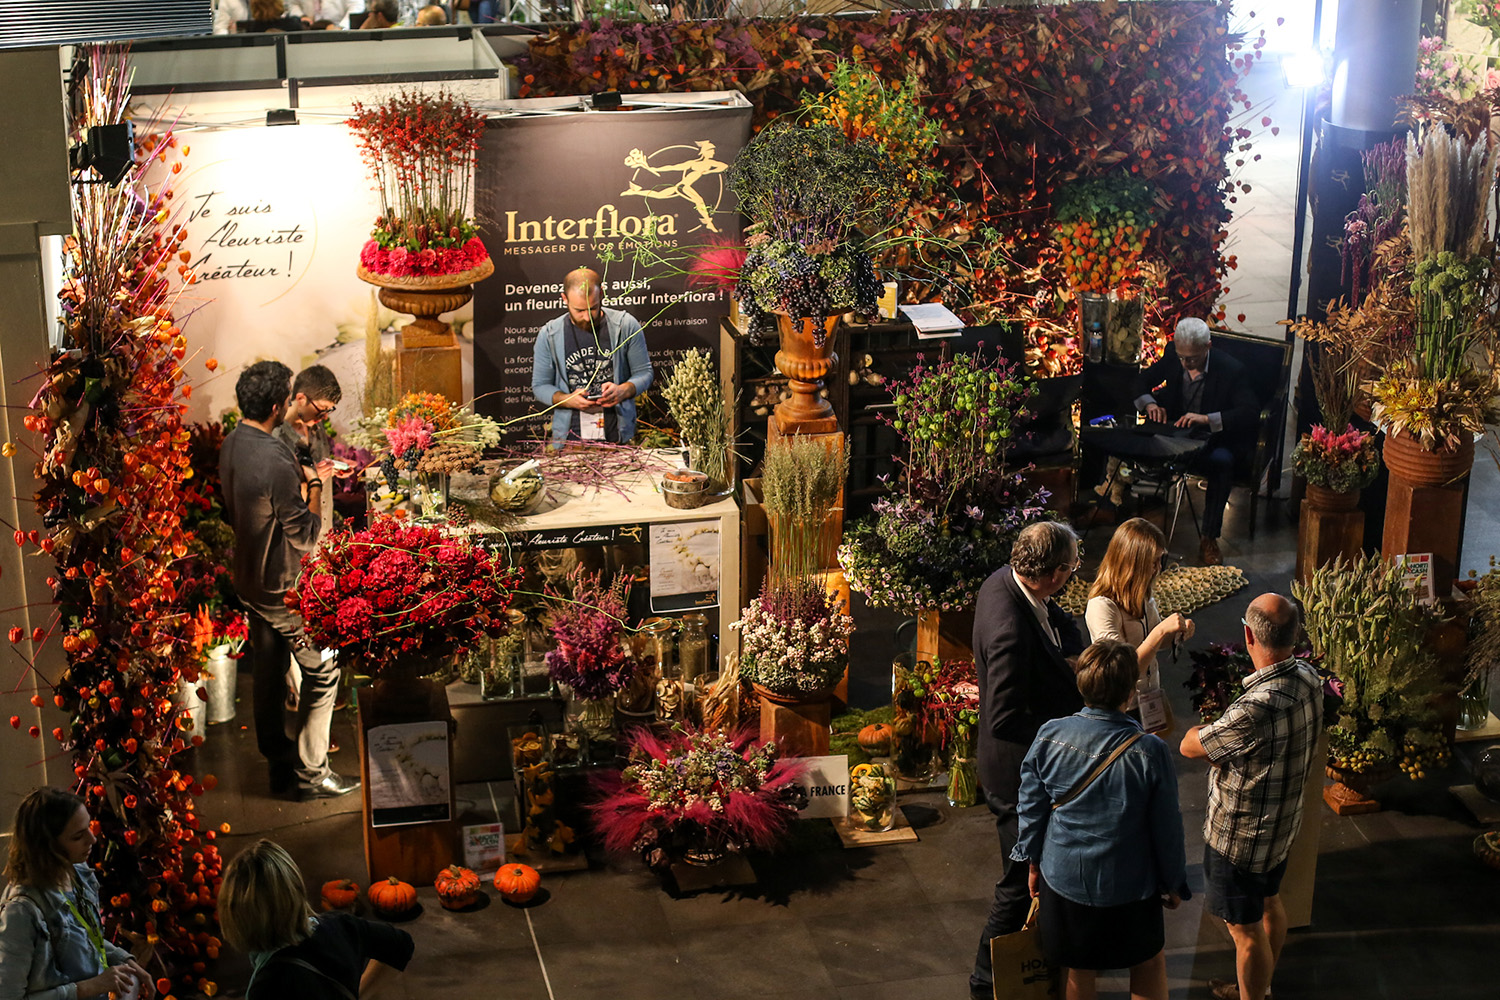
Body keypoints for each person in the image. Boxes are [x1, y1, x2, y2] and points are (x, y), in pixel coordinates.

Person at [1011, 640, 1189, 1000]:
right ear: (1129, 692)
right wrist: (1173, 881)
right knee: (1148, 963)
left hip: (1064, 878)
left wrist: (1033, 863)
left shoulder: (1050, 735)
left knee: (1079, 968)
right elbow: (1167, 827)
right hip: (1131, 884)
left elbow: (1031, 809)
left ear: (1082, 684)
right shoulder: (1150, 751)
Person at [220, 361, 357, 802]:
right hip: (282, 588)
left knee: (269, 674)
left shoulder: (232, 443)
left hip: (250, 581)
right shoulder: (275, 458)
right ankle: (312, 773)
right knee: (325, 669)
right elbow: (305, 534)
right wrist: (314, 484)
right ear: (280, 404)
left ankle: (279, 766)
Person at [1180, 594, 1322, 1000]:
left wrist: (1204, 731)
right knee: (1270, 903)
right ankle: (1262, 985)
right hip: (1281, 827)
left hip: (1240, 841)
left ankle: (1252, 994)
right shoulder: (1308, 678)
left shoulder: (1256, 708)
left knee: (1244, 931)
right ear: (1295, 634)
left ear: (1249, 636)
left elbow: (1191, 746)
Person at [968, 520, 1086, 1000]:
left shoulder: (1003, 580)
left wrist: (1072, 653)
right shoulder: (1010, 630)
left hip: (1021, 768)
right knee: (1020, 882)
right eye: (1073, 567)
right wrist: (1068, 732)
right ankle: (984, 982)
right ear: (1054, 574)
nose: (1075, 574)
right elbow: (1003, 718)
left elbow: (1053, 620)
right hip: (1017, 776)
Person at [0, 788, 155, 1000]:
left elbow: (86, 941)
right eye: (77, 836)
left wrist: (124, 960)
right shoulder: (21, 911)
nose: (92, 840)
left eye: (88, 827)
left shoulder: (78, 873)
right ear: (47, 847)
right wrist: (88, 988)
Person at [1133, 318, 1259, 566]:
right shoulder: (1174, 354)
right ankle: (1132, 523)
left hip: (1211, 439)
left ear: (1207, 347)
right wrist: (1150, 404)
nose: (1184, 364)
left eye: (1191, 359)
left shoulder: (1231, 370)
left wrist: (1207, 419)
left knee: (1222, 463)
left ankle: (1209, 537)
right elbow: (1140, 381)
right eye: (1181, 357)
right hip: (1174, 432)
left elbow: (1249, 412)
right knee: (1134, 443)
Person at [220, 840, 413, 1000]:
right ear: (295, 889)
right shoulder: (340, 925)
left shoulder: (266, 986)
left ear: (235, 914)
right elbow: (401, 944)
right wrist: (359, 994)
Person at [1085, 518, 1195, 730]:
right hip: (1121, 708)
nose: (1158, 569)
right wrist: (1161, 631)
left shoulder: (1143, 595)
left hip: (1148, 696)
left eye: (1160, 560)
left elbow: (1155, 642)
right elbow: (1122, 671)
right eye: (1153, 562)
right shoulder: (1102, 606)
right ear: (1132, 562)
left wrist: (1176, 634)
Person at [531, 267, 653, 448]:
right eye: (579, 310)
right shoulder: (550, 334)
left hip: (619, 438)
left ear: (601, 293)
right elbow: (540, 386)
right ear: (564, 299)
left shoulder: (625, 325)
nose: (587, 317)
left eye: (593, 308)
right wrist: (567, 399)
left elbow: (644, 373)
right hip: (569, 442)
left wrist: (623, 390)